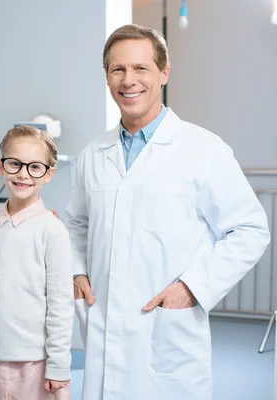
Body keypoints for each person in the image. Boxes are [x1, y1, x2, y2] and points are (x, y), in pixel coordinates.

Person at [66, 24, 271, 400]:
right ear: (107, 77)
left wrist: (193, 287)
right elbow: (76, 223)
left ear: (164, 73)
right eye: (118, 69)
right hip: (104, 328)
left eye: (141, 68)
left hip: (167, 335)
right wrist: (78, 269)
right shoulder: (93, 155)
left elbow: (250, 229)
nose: (129, 80)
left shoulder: (203, 150)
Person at [0, 125, 74, 400]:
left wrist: (58, 365)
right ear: (1, 167)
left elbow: (60, 305)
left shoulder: (52, 230)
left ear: (49, 173)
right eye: (15, 164)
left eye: (35, 167)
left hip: (37, 364)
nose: (23, 173)